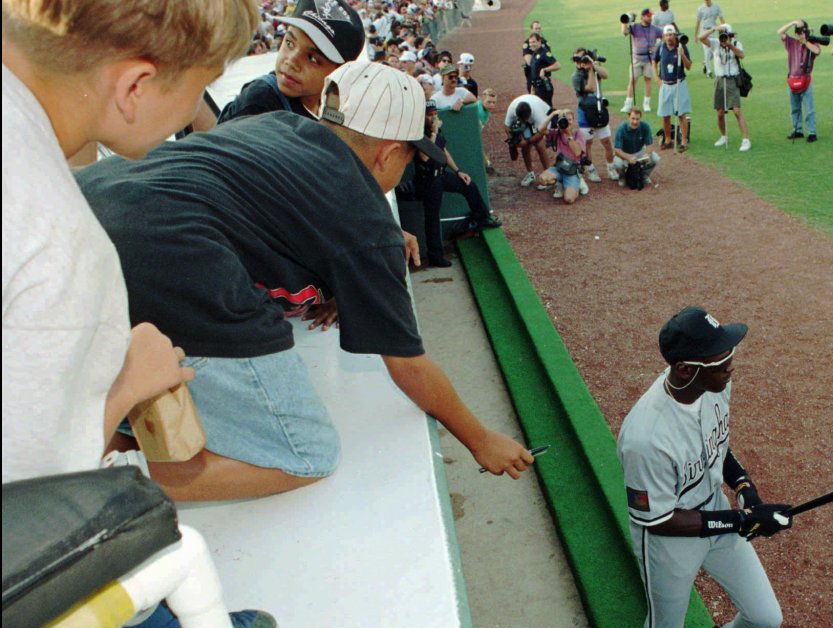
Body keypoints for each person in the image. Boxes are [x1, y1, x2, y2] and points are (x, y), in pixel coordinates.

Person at [77, 62, 536, 502]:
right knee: (305, 455)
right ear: (389, 153)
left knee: (150, 406)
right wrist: (480, 439)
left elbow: (263, 203)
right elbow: (408, 366)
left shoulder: (280, 124)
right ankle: (99, 482)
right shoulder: (367, 223)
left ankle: (107, 440)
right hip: (168, 258)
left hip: (87, 209)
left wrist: (342, 280)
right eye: (411, 157)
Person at [2, 0, 279, 628]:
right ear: (135, 86)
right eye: (197, 88)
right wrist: (124, 385)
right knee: (134, 498)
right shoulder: (60, 244)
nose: (194, 112)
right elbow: (31, 516)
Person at [616, 306, 791, 628]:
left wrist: (745, 489)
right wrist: (738, 521)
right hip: (668, 541)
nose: (731, 361)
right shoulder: (644, 438)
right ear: (686, 368)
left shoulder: (715, 383)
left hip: (713, 511)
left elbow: (719, 443)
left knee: (766, 617)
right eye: (721, 357)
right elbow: (657, 519)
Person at [217, 0, 365, 122]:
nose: (291, 61)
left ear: (340, 72)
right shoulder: (261, 102)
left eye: (312, 58)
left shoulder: (333, 109)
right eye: (289, 43)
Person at [397, 99, 502, 268]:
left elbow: (443, 151)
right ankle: (435, 256)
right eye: (430, 115)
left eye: (434, 114)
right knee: (432, 218)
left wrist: (458, 171)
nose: (433, 117)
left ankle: (481, 217)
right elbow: (424, 157)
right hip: (427, 181)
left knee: (469, 185)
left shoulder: (436, 131)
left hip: (441, 175)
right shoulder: (419, 132)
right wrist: (434, 133)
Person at [699, 23, 751, 152]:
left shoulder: (736, 43)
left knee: (737, 111)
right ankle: (723, 136)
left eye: (725, 35)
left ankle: (746, 139)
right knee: (720, 112)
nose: (723, 38)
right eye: (721, 35)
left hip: (732, 79)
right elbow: (701, 38)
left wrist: (730, 45)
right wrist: (713, 29)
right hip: (719, 79)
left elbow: (742, 55)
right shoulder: (715, 43)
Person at [571, 48, 617, 182]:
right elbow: (591, 88)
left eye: (583, 59)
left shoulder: (594, 69)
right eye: (577, 60)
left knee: (607, 142)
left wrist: (593, 65)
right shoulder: (576, 76)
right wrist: (591, 70)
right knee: (587, 143)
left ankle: (611, 167)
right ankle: (591, 170)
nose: (580, 63)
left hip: (599, 110)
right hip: (585, 112)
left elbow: (606, 75)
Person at [778, 20, 822, 143]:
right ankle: (797, 130)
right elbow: (780, 32)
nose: (799, 33)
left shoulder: (811, 42)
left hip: (805, 79)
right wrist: (792, 23)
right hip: (792, 78)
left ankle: (812, 132)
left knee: (809, 108)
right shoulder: (791, 42)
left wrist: (805, 42)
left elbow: (817, 51)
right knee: (794, 108)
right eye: (797, 31)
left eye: (801, 30)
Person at [536, 109, 589, 203]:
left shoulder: (578, 133)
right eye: (564, 120)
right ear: (559, 122)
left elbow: (577, 152)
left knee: (569, 199)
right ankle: (561, 182)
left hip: (572, 170)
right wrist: (552, 115)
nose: (567, 122)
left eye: (569, 119)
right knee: (542, 180)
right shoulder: (556, 132)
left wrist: (568, 134)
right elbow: (540, 130)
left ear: (573, 121)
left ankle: (579, 182)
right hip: (559, 167)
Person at [653, 24, 692, 152]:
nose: (669, 37)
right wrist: (657, 78)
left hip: (678, 83)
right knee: (665, 114)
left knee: (681, 114)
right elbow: (654, 61)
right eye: (667, 35)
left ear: (675, 35)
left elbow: (689, 66)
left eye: (671, 35)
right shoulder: (661, 47)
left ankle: (684, 141)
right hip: (665, 84)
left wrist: (683, 55)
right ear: (663, 36)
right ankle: (668, 139)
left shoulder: (681, 46)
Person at [505, 94, 553, 187]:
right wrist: (513, 142)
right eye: (521, 119)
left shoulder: (538, 113)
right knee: (525, 148)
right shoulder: (512, 109)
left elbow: (541, 131)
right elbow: (506, 126)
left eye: (525, 119)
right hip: (527, 120)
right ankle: (530, 174)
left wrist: (528, 141)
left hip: (542, 120)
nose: (523, 120)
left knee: (540, 146)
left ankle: (548, 175)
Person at [621, 8, 663, 113]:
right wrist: (625, 22)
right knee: (632, 81)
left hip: (649, 59)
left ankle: (646, 103)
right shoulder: (635, 27)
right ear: (642, 17)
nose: (650, 18)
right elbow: (624, 32)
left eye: (650, 16)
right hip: (636, 58)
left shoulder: (655, 29)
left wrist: (657, 46)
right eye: (648, 16)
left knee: (648, 80)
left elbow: (664, 36)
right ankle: (628, 104)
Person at [613, 107, 661, 187]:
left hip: (639, 152)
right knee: (617, 163)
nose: (635, 122)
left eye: (637, 119)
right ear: (628, 117)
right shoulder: (621, 129)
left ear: (640, 118)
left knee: (655, 158)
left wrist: (647, 154)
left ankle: (644, 175)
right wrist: (628, 158)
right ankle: (622, 177)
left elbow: (649, 144)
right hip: (624, 153)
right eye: (633, 119)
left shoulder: (645, 126)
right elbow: (617, 150)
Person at [525, 31, 559, 107]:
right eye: (530, 43)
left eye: (534, 42)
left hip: (544, 87)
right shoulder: (534, 53)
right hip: (536, 87)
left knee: (546, 110)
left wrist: (545, 70)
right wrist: (532, 88)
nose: (531, 44)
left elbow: (557, 65)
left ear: (539, 41)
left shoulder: (544, 53)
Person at [694, 0, 725, 78]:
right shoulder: (700, 8)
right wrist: (696, 35)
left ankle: (705, 63)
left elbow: (721, 18)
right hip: (704, 31)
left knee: (714, 51)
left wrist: (725, 28)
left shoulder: (716, 7)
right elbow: (697, 22)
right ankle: (709, 71)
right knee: (707, 51)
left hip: (713, 30)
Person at [521, 20, 549, 93]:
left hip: (544, 75)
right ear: (531, 29)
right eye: (536, 28)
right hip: (532, 75)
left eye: (539, 28)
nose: (538, 30)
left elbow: (550, 58)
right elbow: (530, 62)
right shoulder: (527, 43)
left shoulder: (544, 42)